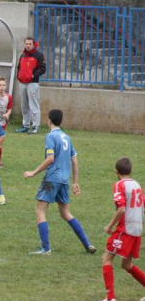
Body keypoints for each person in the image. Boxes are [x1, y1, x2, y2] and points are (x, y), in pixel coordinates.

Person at [23, 109, 96, 255]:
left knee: (40, 211)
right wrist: (75, 182)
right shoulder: (66, 137)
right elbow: (74, 160)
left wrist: (33, 172)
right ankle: (88, 245)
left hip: (52, 179)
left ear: (49, 120)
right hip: (64, 180)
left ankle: (45, 249)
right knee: (66, 213)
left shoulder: (51, 136)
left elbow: (50, 159)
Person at [96, 157, 145, 301]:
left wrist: (109, 226)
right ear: (130, 171)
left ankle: (110, 298)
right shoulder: (137, 185)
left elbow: (122, 209)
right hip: (137, 229)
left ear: (116, 172)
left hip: (126, 229)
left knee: (106, 258)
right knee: (126, 264)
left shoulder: (119, 185)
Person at [15, 37, 46, 135]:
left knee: (34, 105)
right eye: (26, 44)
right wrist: (18, 76)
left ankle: (35, 126)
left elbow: (43, 69)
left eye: (30, 44)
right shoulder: (22, 55)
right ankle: (25, 125)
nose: (28, 46)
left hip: (32, 83)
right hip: (22, 83)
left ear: (34, 44)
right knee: (24, 105)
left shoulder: (39, 55)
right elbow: (19, 67)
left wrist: (33, 75)